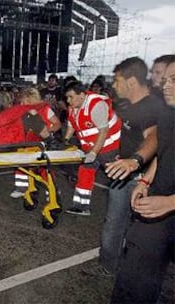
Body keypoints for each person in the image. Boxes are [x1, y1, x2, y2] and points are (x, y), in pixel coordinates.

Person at [84, 57, 165, 277]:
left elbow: (153, 138)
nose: (114, 85)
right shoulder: (127, 105)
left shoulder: (153, 107)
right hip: (122, 174)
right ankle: (108, 266)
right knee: (113, 222)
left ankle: (135, 273)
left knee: (141, 232)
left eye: (117, 80)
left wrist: (135, 160)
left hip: (144, 179)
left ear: (131, 82)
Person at [110, 57, 175, 303]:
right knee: (133, 275)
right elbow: (162, 151)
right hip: (158, 203)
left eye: (173, 80)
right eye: (165, 79)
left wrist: (171, 202)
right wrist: (146, 180)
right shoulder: (169, 114)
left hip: (168, 204)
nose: (165, 85)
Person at [63, 81, 121, 216]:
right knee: (85, 172)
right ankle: (81, 207)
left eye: (71, 97)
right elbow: (72, 125)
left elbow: (103, 131)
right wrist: (65, 141)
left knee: (118, 177)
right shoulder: (73, 106)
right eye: (67, 97)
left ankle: (128, 209)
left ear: (82, 95)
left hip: (109, 148)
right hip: (90, 148)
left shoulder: (96, 105)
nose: (68, 100)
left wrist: (94, 152)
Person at [9, 87, 63, 198]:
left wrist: (47, 132)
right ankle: (21, 188)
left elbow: (57, 124)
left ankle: (52, 191)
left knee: (45, 168)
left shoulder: (45, 109)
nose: (22, 103)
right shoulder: (21, 110)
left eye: (24, 101)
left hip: (41, 142)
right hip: (26, 142)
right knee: (21, 164)